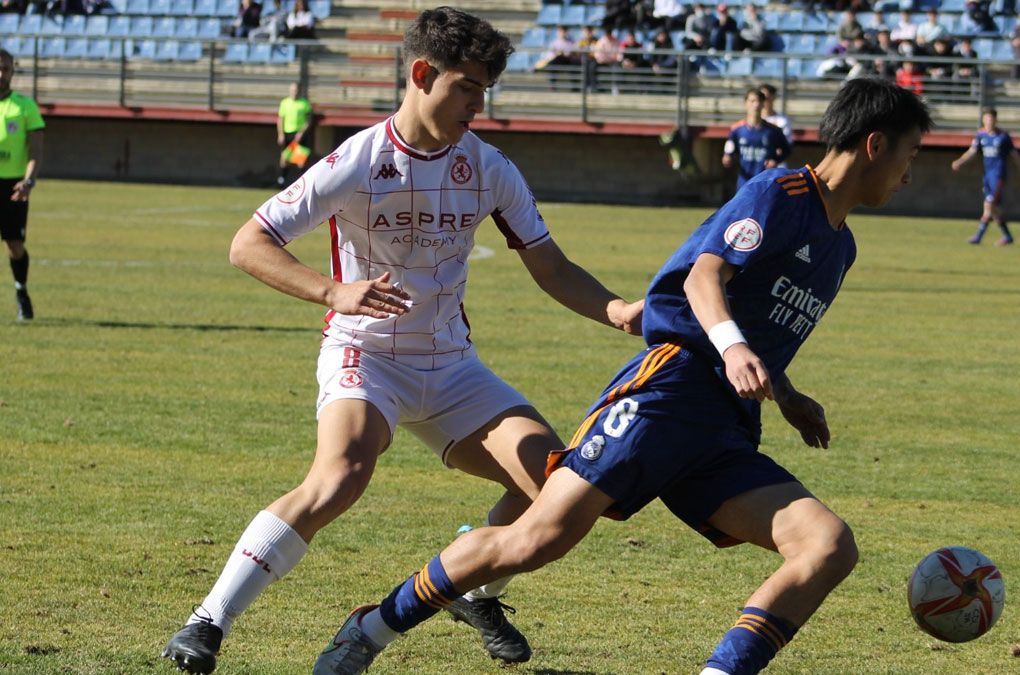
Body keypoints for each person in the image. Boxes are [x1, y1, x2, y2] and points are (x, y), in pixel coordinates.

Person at [312, 76, 932, 675]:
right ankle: (371, 628)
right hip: (669, 392)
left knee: (828, 546)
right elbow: (703, 277)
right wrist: (735, 348)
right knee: (535, 540)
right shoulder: (780, 193)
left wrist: (787, 394)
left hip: (724, 428)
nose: (911, 174)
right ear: (875, 144)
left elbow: (760, 332)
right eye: (910, 154)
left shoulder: (841, 248)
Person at [160, 8, 643, 675]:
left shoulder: (490, 167)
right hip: (368, 355)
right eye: (468, 87)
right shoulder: (358, 160)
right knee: (341, 475)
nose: (479, 104)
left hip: (452, 368)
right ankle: (207, 620)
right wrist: (334, 291)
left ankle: (475, 591)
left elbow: (551, 265)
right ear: (422, 74)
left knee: (564, 486)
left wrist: (619, 310)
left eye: (485, 90)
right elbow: (249, 244)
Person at [0, 50, 43, 322]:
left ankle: (21, 292)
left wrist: (28, 180)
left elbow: (36, 149)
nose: (1, 73)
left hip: (13, 187)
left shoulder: (24, 106)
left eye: (5, 68)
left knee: (14, 245)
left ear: (13, 71)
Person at [951, 107, 1020, 245]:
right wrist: (960, 161)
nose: (989, 121)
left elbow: (1016, 156)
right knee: (993, 209)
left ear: (995, 120)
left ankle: (978, 237)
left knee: (989, 205)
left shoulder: (1003, 137)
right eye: (986, 118)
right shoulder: (981, 135)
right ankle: (1007, 236)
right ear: (983, 120)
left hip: (998, 176)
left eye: (991, 119)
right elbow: (972, 152)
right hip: (987, 176)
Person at [722, 88, 790, 191]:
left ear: (763, 104)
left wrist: (775, 160)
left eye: (759, 101)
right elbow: (730, 150)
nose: (756, 105)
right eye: (752, 101)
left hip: (766, 182)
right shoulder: (737, 130)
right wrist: (727, 158)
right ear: (746, 103)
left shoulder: (773, 131)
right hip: (744, 183)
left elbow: (787, 150)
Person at [274, 81, 312, 187]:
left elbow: (308, 120)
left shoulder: (304, 104)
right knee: (285, 158)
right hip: (287, 134)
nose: (294, 92)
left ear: (299, 91)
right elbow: (280, 119)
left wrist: (301, 132)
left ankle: (301, 184)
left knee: (300, 161)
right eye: (292, 90)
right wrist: (280, 134)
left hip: (299, 135)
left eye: (296, 90)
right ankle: (281, 181)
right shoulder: (284, 103)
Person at [759, 83, 792, 165]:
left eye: (766, 97)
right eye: (761, 98)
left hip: (776, 165)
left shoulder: (782, 120)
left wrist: (775, 159)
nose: (763, 101)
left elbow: (786, 144)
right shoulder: (753, 121)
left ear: (773, 98)